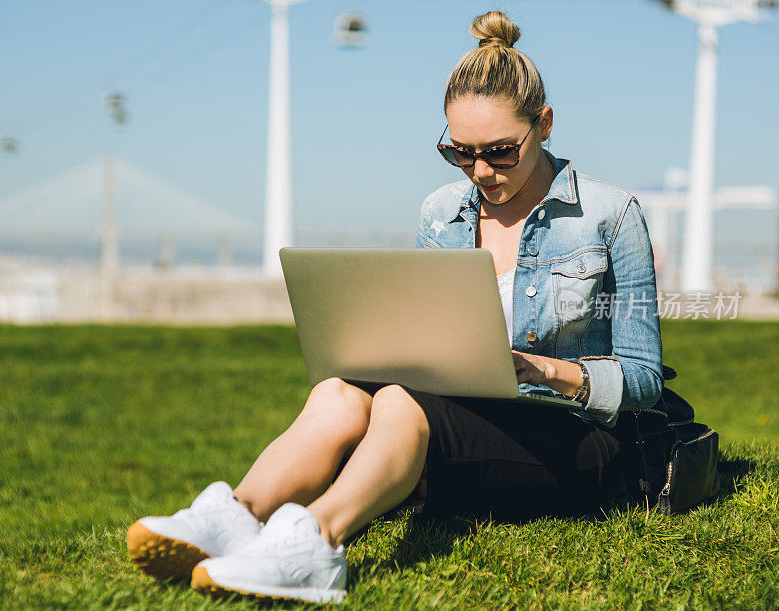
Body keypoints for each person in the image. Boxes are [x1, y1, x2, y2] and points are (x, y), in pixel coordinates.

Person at [126, 10, 664, 604]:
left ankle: (316, 545)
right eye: (461, 153)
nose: (481, 171)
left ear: (545, 125)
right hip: (454, 420)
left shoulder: (612, 214)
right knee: (336, 391)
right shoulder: (443, 211)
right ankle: (236, 517)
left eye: (501, 151)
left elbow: (644, 380)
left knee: (402, 404)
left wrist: (547, 371)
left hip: (573, 439)